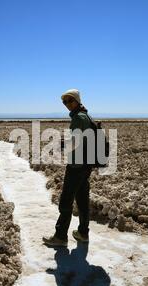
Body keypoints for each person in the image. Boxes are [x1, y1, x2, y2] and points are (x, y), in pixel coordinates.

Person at [43, 89, 94, 247]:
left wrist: (60, 143)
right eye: (65, 102)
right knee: (82, 200)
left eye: (70, 101)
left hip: (77, 166)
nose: (67, 104)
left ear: (77, 101)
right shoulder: (86, 115)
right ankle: (83, 233)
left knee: (66, 201)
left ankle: (60, 236)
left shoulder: (79, 118)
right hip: (86, 164)